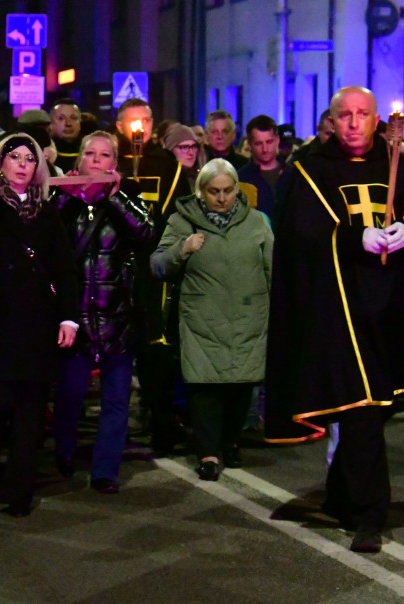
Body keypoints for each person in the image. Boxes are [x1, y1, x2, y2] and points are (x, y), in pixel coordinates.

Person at [265, 86, 404, 554]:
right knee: (361, 410)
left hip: (392, 311)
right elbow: (300, 234)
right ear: (333, 119)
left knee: (372, 412)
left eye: (364, 115)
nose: (355, 123)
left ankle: (344, 496)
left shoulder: (400, 167)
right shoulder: (311, 170)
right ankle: (370, 515)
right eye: (346, 115)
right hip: (338, 310)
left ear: (377, 118)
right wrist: (353, 238)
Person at [0, 134, 77, 516]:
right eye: (15, 157)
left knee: (30, 411)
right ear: (1, 163)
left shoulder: (48, 211)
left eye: (30, 158)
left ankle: (19, 492)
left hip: (37, 323)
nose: (23, 164)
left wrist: (68, 317)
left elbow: (64, 267)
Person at [151, 159, 273, 481]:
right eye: (214, 191)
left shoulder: (258, 222)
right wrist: (183, 248)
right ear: (201, 192)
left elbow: (273, 270)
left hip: (248, 318)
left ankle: (230, 440)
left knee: (240, 387)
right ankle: (207, 452)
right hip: (201, 320)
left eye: (228, 191)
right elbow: (158, 265)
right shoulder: (182, 221)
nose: (221, 198)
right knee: (204, 388)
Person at [53, 132, 156, 491]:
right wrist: (66, 198)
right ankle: (63, 454)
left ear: (114, 163)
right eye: (90, 154)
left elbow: (147, 235)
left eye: (105, 155)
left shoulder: (128, 198)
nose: (97, 161)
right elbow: (45, 239)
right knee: (69, 396)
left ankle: (105, 471)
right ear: (79, 160)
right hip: (75, 320)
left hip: (117, 318)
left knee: (116, 402)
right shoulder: (61, 199)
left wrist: (115, 199)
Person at [114, 98, 189, 454]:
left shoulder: (167, 165)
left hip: (151, 268)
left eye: (145, 120)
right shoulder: (111, 160)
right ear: (119, 127)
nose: (139, 128)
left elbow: (178, 212)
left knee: (155, 351)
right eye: (132, 122)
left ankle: (163, 424)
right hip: (114, 266)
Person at [237, 115, 287, 221]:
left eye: (269, 142)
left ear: (277, 140)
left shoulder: (293, 175)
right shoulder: (241, 178)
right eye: (258, 143)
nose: (265, 149)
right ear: (249, 144)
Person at [162, 123, 201, 192]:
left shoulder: (201, 179)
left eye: (193, 147)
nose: (191, 152)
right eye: (184, 147)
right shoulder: (165, 181)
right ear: (170, 150)